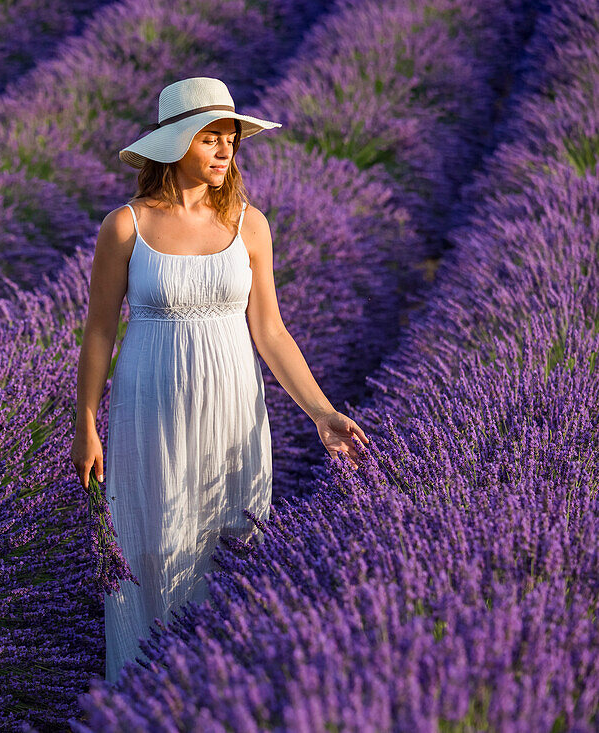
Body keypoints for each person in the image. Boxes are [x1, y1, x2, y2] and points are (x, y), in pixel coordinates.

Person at [70, 77, 370, 684]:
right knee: (150, 547)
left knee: (232, 543)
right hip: (149, 410)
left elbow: (271, 331)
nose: (225, 149)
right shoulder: (125, 227)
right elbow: (99, 331)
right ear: (175, 143)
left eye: (229, 138)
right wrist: (85, 424)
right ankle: (144, 695)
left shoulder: (249, 224)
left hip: (233, 410)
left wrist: (322, 413)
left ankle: (224, 691)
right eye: (210, 138)